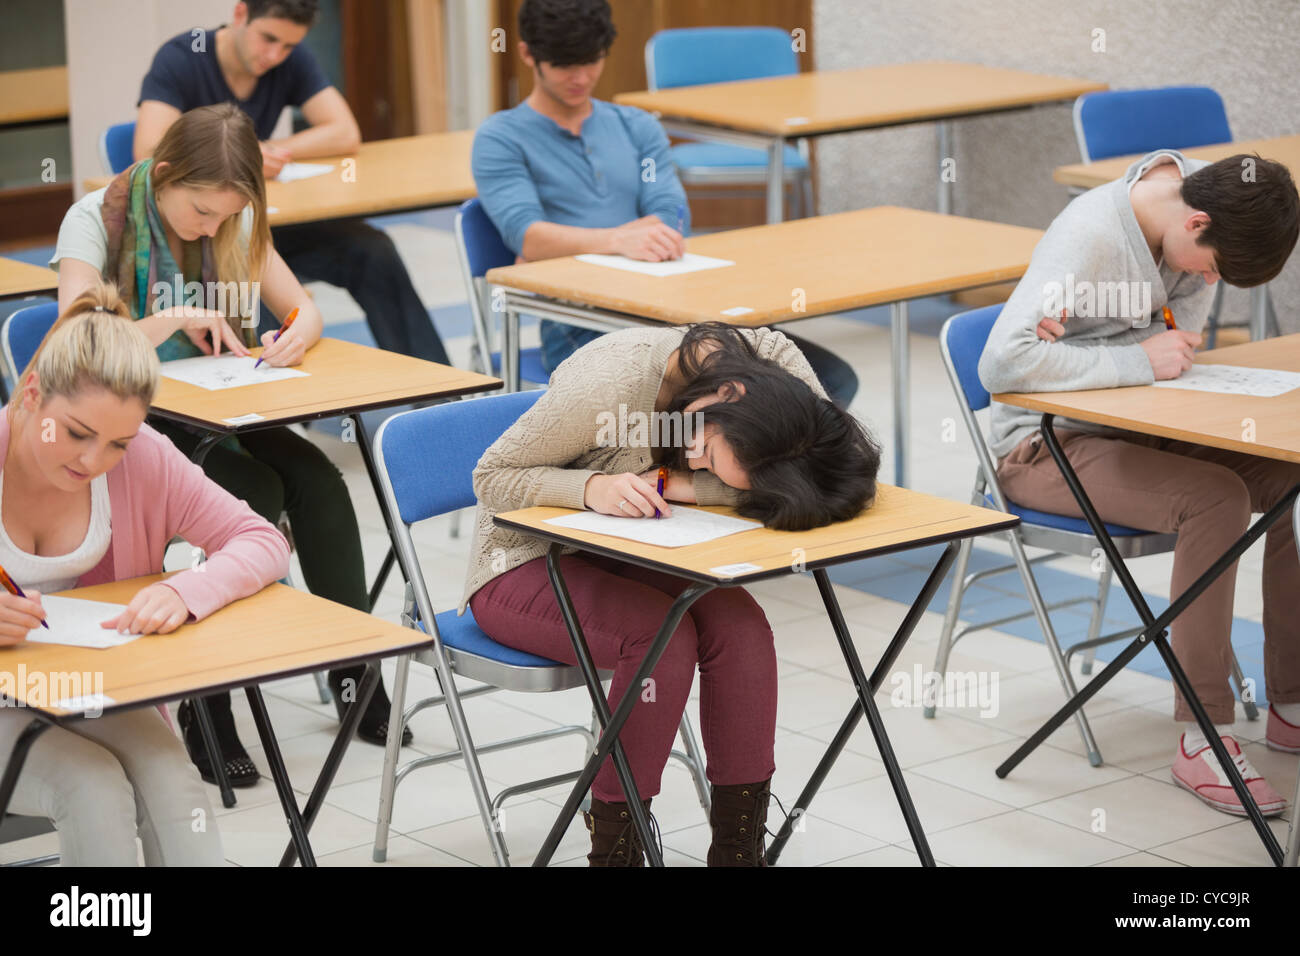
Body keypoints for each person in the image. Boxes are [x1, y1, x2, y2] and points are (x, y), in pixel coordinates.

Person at [51, 103, 411, 790]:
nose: (213, 229)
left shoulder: (232, 217)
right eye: (200, 212)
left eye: (227, 216)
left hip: (223, 407)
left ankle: (354, 673)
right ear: (164, 175)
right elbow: (77, 340)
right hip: (130, 424)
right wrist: (168, 319)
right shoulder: (96, 218)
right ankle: (208, 703)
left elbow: (304, 308)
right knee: (258, 490)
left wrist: (296, 332)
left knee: (322, 483)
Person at [463, 321, 880, 865]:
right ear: (728, 393)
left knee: (741, 626)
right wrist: (590, 488)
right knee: (660, 639)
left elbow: (840, 476)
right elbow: (491, 475)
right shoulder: (608, 384)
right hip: (523, 561)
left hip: (635, 549)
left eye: (714, 467)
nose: (698, 461)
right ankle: (616, 853)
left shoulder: (772, 366)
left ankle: (739, 852)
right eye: (707, 454)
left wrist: (684, 486)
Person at [979, 148, 1300, 817]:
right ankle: (1202, 736)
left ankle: (1291, 702)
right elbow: (1002, 364)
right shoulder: (1091, 235)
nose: (1206, 281)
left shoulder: (1209, 200)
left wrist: (1114, 357)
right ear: (1195, 224)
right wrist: (1134, 358)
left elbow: (1175, 351)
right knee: (1216, 498)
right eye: (1210, 269)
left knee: (1292, 479)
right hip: (1045, 446)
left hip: (1138, 427)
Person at [0, 280, 291, 864]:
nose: (93, 461)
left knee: (171, 779)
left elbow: (261, 539)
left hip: (84, 686)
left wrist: (187, 589)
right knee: (90, 788)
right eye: (77, 434)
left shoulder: (143, 457)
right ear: (31, 393)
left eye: (116, 443)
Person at [471, 0, 859, 407]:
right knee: (741, 397)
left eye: (592, 61)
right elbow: (529, 237)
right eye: (564, 65)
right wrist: (620, 240)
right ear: (528, 54)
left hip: (671, 303)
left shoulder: (636, 126)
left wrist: (645, 234)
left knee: (829, 380)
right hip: (577, 320)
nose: (581, 78)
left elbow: (670, 209)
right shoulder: (502, 138)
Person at [134, 0, 452, 365]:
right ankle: (264, 387)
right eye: (268, 39)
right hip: (208, 229)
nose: (275, 55)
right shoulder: (183, 57)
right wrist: (233, 160)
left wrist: (263, 152)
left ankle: (436, 385)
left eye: (288, 46)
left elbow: (345, 132)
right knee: (256, 295)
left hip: (267, 222)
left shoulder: (290, 57)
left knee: (373, 252)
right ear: (240, 14)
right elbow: (147, 151)